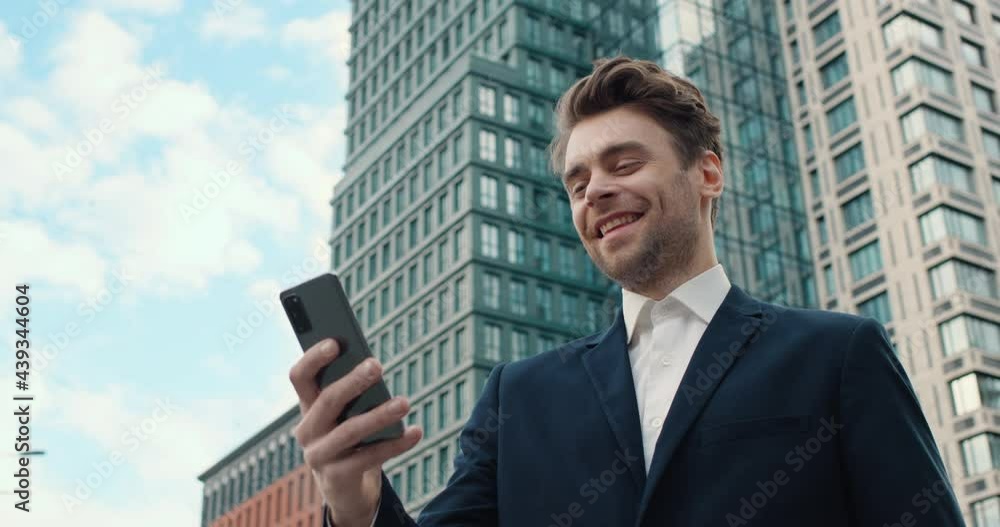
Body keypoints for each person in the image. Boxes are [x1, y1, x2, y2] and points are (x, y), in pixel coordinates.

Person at [289, 55, 965, 527]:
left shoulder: (838, 354)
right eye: (578, 182)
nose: (596, 191)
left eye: (624, 163)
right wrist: (354, 503)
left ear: (707, 173)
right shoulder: (519, 397)